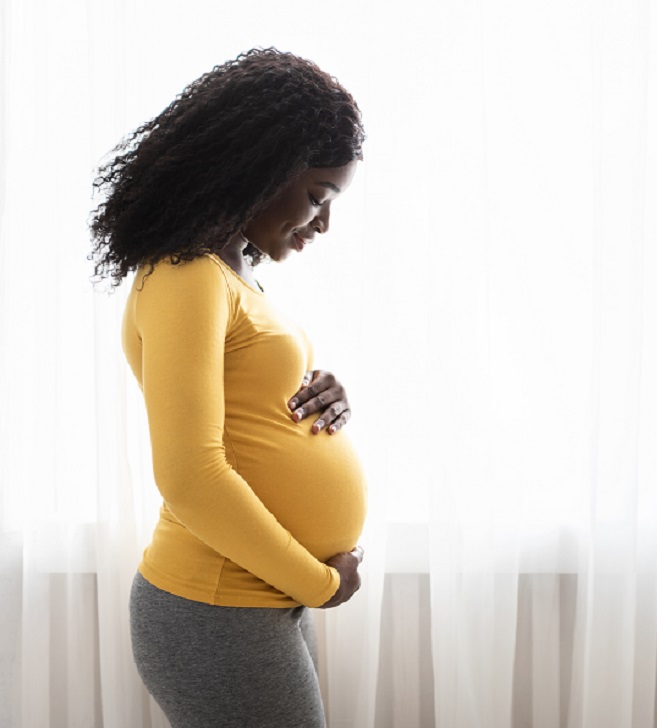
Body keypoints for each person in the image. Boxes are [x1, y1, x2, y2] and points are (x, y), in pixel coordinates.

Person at [89, 48, 367, 728]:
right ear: (258, 171)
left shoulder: (230, 271)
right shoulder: (185, 274)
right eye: (315, 197)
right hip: (217, 603)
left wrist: (322, 396)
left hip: (253, 596)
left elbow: (246, 404)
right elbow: (189, 476)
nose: (321, 224)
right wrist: (319, 582)